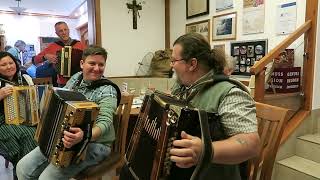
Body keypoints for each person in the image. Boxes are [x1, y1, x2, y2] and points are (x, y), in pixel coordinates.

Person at [119, 33, 260, 180]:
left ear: (192, 64)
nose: (171, 65)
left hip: (209, 175)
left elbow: (251, 144)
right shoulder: (183, 87)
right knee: (126, 171)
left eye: (174, 60)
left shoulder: (229, 93)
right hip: (178, 171)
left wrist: (205, 151)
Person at [17, 45, 120, 180]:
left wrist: (85, 135)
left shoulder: (108, 90)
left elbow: (105, 122)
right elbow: (62, 97)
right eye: (92, 63)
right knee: (22, 168)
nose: (96, 68)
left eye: (101, 64)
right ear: (82, 64)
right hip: (65, 138)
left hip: (96, 145)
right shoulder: (76, 78)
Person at [0, 51, 37, 179]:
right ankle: (25, 173)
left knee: (41, 133)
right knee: (29, 136)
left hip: (25, 119)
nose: (9, 66)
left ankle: (25, 173)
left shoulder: (25, 78)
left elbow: (34, 100)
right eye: (3, 64)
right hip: (2, 123)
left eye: (11, 63)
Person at [34, 21, 86, 86]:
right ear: (57, 33)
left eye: (65, 29)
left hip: (79, 81)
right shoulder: (52, 46)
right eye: (60, 31)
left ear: (68, 30)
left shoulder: (79, 44)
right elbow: (35, 60)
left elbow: (88, 59)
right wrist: (45, 56)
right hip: (63, 83)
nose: (64, 32)